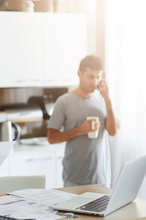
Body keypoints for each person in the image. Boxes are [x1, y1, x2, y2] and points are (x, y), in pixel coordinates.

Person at [47, 55, 120, 187]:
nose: (95, 82)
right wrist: (80, 130)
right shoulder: (64, 101)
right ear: (79, 74)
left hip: (101, 178)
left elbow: (113, 131)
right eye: (90, 76)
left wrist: (107, 99)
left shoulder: (103, 100)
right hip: (74, 179)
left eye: (98, 77)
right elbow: (51, 138)